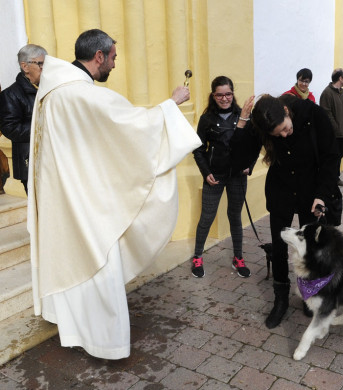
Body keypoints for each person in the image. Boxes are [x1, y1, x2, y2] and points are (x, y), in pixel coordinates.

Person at [27, 29, 201, 359]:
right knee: (98, 263)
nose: (115, 65)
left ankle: (77, 332)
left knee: (76, 265)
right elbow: (129, 125)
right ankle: (105, 343)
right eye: (114, 58)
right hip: (84, 201)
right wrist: (172, 103)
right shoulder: (79, 94)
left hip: (67, 195)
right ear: (99, 56)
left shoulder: (53, 92)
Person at [233, 94, 339, 329]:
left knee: (310, 248)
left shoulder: (313, 114)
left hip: (311, 192)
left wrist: (322, 193)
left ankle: (308, 295)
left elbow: (332, 156)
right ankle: (280, 299)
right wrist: (242, 121)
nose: (283, 135)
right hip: (281, 192)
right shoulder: (263, 124)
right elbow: (240, 159)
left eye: (285, 128)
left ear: (286, 110)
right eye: (277, 134)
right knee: (279, 247)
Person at [191, 76, 255, 278]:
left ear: (233, 93)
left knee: (235, 217)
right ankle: (198, 257)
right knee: (207, 217)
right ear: (213, 96)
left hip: (237, 176)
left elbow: (253, 145)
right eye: (219, 94)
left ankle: (238, 258)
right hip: (214, 175)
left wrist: (249, 166)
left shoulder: (243, 116)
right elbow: (199, 150)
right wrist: (206, 172)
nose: (224, 98)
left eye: (228, 93)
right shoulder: (207, 119)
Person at [0, 44, 47, 194]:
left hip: (51, 159)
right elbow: (10, 129)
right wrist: (43, 127)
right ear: (25, 66)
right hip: (30, 162)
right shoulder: (10, 94)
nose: (44, 68)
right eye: (40, 63)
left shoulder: (47, 88)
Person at [319, 68, 343, 187]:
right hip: (333, 133)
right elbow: (326, 114)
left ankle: (335, 178)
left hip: (342, 132)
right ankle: (329, 180)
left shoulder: (342, 92)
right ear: (340, 78)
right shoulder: (327, 93)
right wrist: (336, 128)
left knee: (339, 156)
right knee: (332, 158)